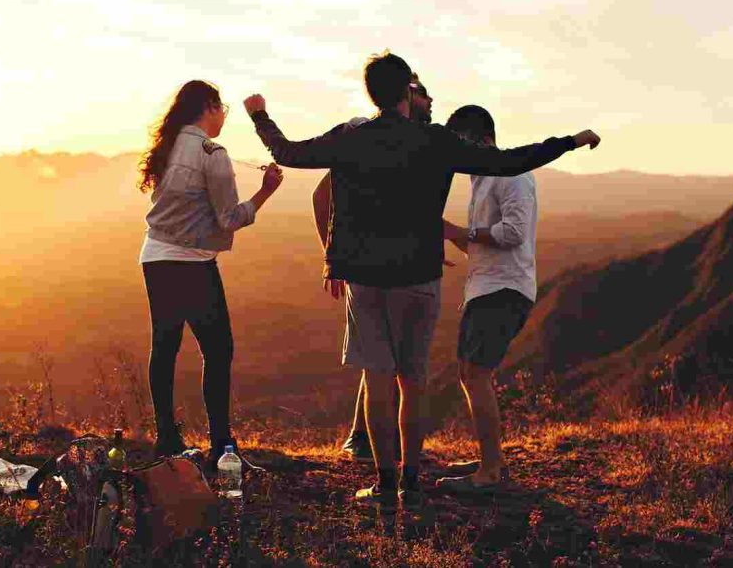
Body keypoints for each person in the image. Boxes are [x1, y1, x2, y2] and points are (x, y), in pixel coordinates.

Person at [244, 52, 600, 512]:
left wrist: (259, 115)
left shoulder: (351, 138)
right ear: (407, 93)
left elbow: (289, 153)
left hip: (366, 279)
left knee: (378, 381)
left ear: (371, 92)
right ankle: (412, 483)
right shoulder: (435, 141)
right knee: (413, 382)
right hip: (419, 277)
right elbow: (511, 161)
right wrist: (570, 141)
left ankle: (385, 485)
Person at [138, 80, 284, 470]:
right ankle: (222, 447)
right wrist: (266, 191)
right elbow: (229, 218)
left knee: (165, 347)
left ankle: (168, 440)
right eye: (222, 110)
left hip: (154, 256)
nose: (223, 118)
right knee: (218, 350)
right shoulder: (212, 152)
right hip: (192, 263)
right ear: (210, 107)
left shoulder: (168, 146)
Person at [311, 73, 434, 462]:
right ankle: (366, 442)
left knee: (386, 361)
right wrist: (333, 257)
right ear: (406, 96)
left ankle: (373, 445)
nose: (431, 101)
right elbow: (322, 194)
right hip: (368, 267)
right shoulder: (366, 136)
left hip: (397, 264)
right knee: (382, 362)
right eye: (423, 93)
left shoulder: (414, 142)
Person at [434, 105, 546, 492]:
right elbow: (485, 241)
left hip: (504, 288)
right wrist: (452, 236)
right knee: (470, 373)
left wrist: (459, 229)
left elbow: (513, 232)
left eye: (459, 143)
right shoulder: (481, 179)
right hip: (486, 286)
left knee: (476, 374)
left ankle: (490, 472)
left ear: (481, 140)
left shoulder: (511, 173)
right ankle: (491, 458)